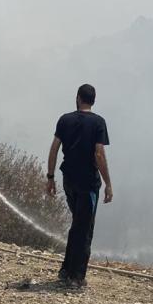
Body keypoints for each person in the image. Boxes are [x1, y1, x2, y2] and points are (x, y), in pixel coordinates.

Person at [46, 84, 112, 289]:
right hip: (88, 184)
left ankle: (66, 270)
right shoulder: (98, 122)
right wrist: (108, 183)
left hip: (69, 180)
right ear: (93, 100)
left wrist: (50, 177)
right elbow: (99, 154)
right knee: (85, 229)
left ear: (78, 98)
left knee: (77, 224)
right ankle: (76, 276)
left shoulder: (64, 120)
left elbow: (54, 149)